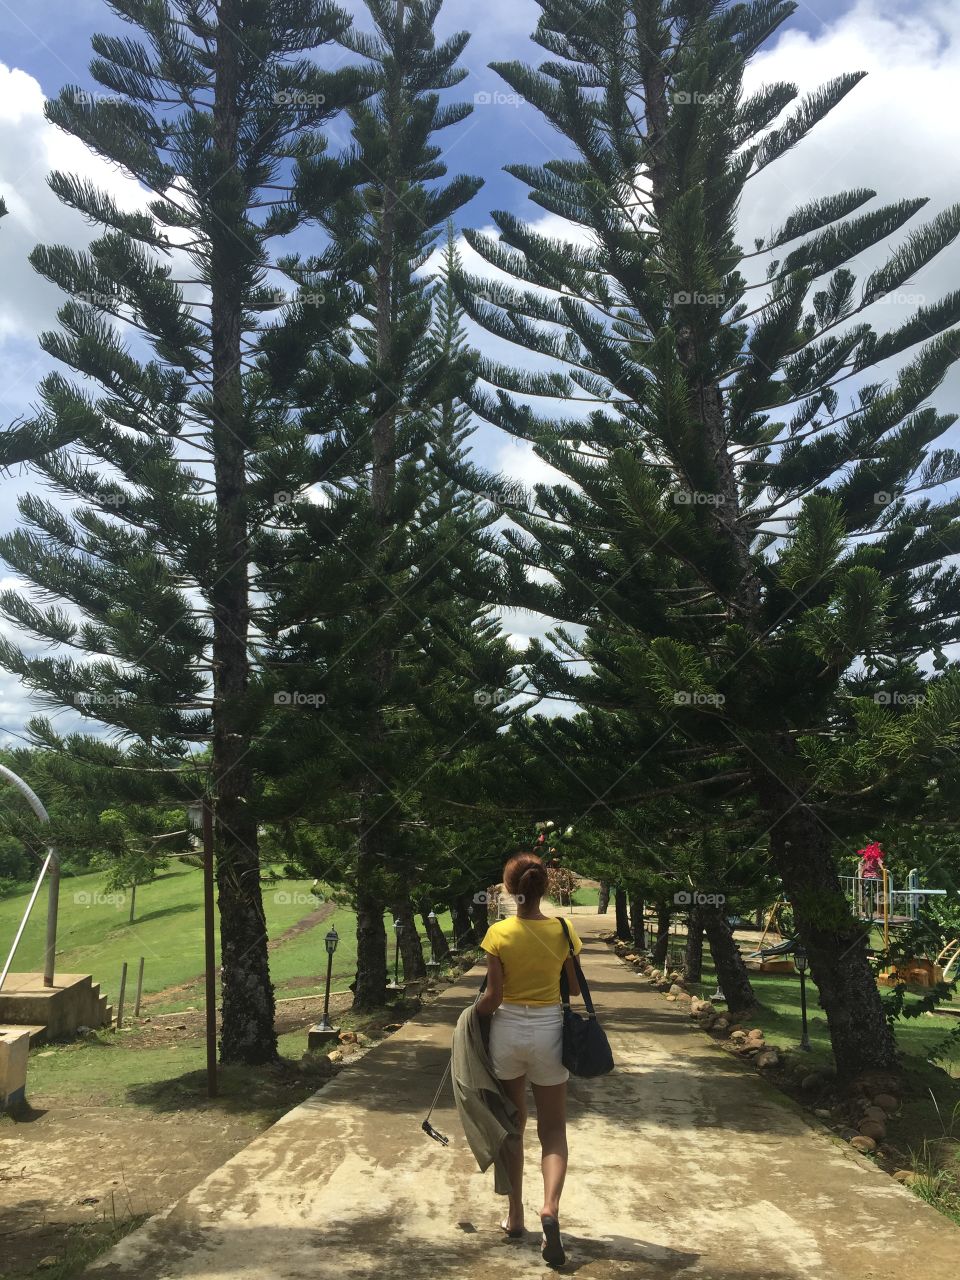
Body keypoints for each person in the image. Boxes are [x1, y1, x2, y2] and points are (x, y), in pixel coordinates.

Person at [476, 851, 583, 1268]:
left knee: (513, 1126)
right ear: (545, 888)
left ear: (509, 889)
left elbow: (493, 998)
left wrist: (471, 1019)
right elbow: (573, 990)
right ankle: (550, 1210)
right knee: (553, 1130)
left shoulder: (497, 934)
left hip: (507, 1033)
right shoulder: (563, 929)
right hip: (549, 1031)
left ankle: (516, 1215)